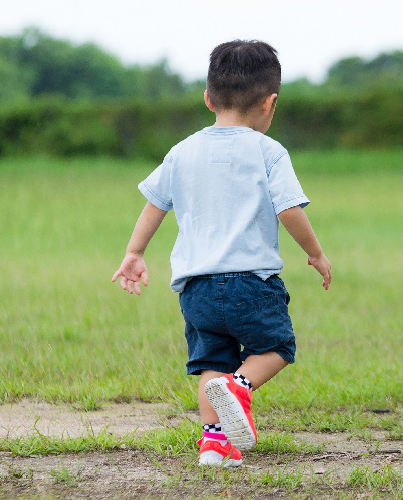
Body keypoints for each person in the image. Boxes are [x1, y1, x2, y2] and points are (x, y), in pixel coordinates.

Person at [110, 40, 331, 468]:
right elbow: (289, 209)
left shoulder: (182, 151)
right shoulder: (269, 151)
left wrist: (135, 252)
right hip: (252, 281)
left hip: (196, 288)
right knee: (277, 346)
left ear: (208, 97)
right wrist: (315, 253)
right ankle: (241, 387)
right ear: (270, 104)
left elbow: (155, 203)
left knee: (212, 363)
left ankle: (215, 446)